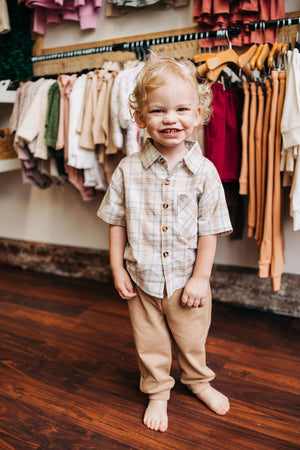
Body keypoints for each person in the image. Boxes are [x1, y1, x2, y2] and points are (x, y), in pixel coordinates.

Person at [97, 55, 232, 433]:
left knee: (192, 338)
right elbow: (116, 220)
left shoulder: (205, 172)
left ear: (199, 113)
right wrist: (116, 266)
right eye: (158, 110)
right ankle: (157, 390)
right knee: (150, 342)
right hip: (142, 279)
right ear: (140, 118)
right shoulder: (127, 169)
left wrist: (201, 278)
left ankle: (198, 380)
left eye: (181, 109)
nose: (170, 119)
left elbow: (211, 228)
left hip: (185, 280)